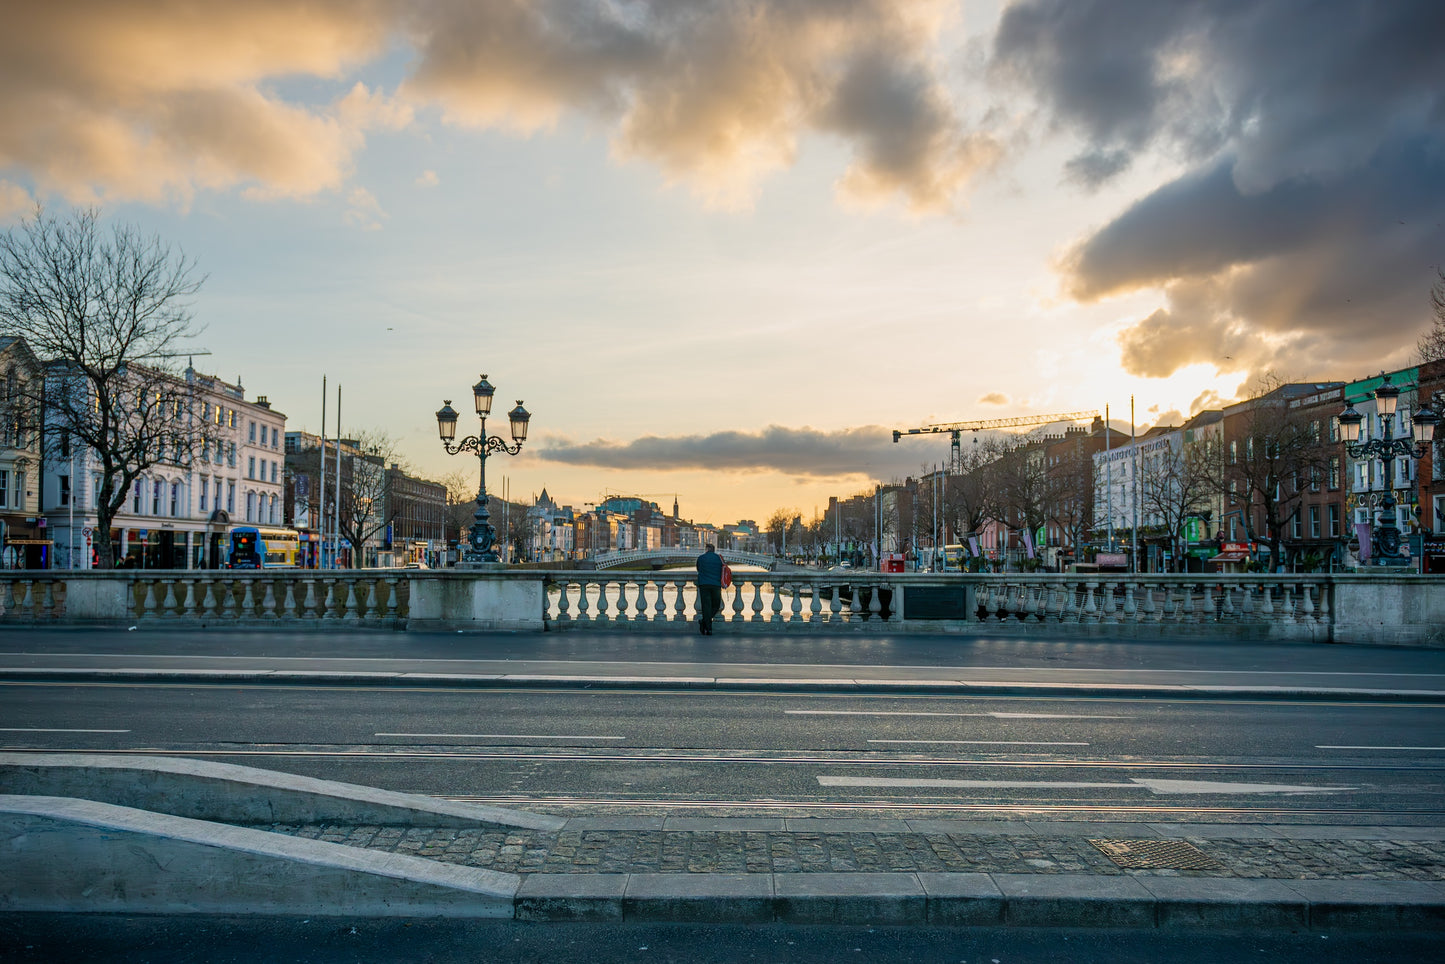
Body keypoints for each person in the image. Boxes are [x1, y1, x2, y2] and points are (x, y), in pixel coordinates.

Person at [694, 542, 724, 635]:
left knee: (706, 606)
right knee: (716, 605)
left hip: (704, 584)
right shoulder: (719, 558)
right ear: (714, 550)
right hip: (716, 585)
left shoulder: (701, 558)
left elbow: (698, 569)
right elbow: (723, 569)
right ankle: (707, 625)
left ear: (706, 549)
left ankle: (706, 625)